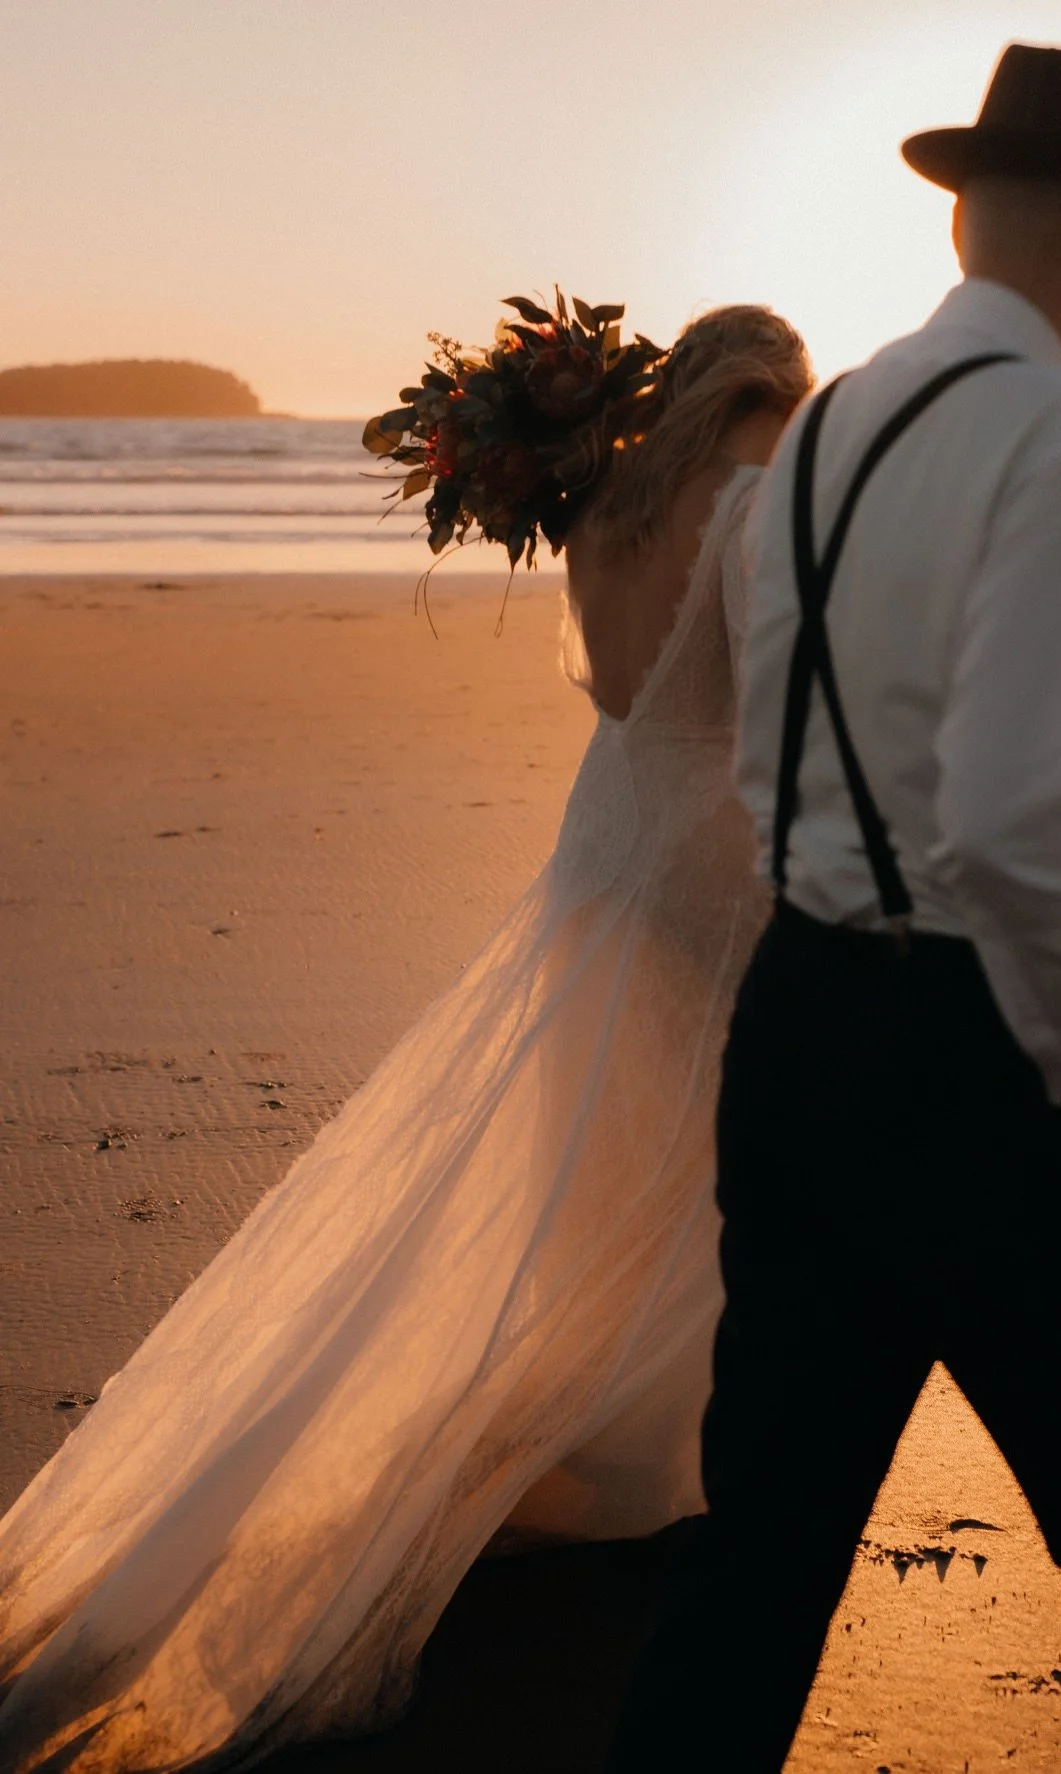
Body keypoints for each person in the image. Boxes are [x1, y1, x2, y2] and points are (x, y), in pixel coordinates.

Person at [0, 305, 812, 1771]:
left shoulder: (609, 498)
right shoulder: (752, 500)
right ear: (769, 393)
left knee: (597, 1155)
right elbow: (769, 705)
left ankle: (590, 1441)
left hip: (605, 835)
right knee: (693, 1165)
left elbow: (612, 688)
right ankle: (637, 1462)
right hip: (706, 863)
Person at [604, 45, 1061, 1774]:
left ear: (962, 211)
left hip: (793, 1024)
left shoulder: (816, 436)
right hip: (978, 1067)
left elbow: (771, 755)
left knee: (753, 1576)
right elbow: (1016, 815)